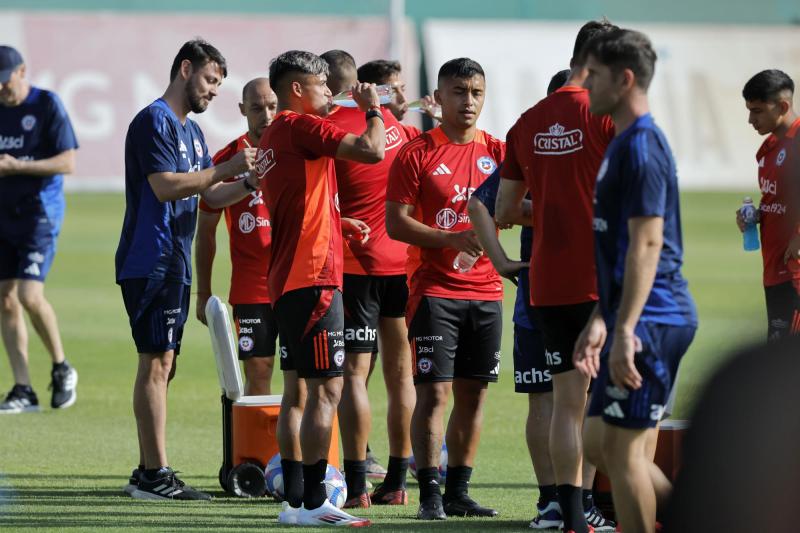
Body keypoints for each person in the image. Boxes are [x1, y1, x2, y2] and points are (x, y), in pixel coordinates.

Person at [116, 39, 259, 500]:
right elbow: (164, 187)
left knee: (165, 364)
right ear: (185, 70)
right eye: (210, 80)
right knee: (156, 362)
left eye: (219, 83)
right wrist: (228, 168)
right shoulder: (154, 121)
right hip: (150, 259)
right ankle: (155, 475)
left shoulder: (193, 133)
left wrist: (250, 181)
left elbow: (210, 199)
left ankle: (146, 470)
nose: (215, 91)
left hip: (173, 260)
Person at [495, 20, 617, 533]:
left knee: (567, 402)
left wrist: (550, 207)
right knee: (601, 403)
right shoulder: (610, 117)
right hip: (598, 281)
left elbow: (503, 210)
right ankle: (598, 509)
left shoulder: (526, 122)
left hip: (546, 282)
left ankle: (568, 515)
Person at [575, 28, 698, 533]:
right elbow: (619, 250)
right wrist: (600, 318)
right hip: (631, 314)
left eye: (595, 75)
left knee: (624, 452)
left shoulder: (643, 147)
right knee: (597, 442)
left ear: (624, 80)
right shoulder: (622, 142)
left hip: (655, 316)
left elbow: (647, 245)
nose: (585, 85)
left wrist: (625, 329)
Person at [256, 49, 385, 527]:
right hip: (313, 278)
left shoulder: (274, 135)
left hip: (289, 277)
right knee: (328, 388)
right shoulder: (300, 126)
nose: (330, 93)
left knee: (301, 392)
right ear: (296, 90)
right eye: (322, 86)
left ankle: (297, 499)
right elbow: (372, 150)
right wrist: (373, 107)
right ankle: (313, 503)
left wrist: (337, 221)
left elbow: (299, 203)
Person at [386, 57, 505, 521]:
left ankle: (459, 491)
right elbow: (396, 223)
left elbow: (516, 204)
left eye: (476, 92)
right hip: (434, 289)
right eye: (458, 92)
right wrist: (450, 239)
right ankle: (429, 494)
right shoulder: (417, 153)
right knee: (434, 394)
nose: (468, 101)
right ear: (439, 96)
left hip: (488, 290)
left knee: (474, 395)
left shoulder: (497, 151)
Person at [321, 49, 417, 509]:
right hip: (404, 264)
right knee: (401, 374)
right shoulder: (398, 129)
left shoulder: (329, 133)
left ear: (327, 83)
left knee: (354, 374)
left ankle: (357, 485)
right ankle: (397, 481)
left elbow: (321, 201)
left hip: (357, 268)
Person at [0, 45, 79, 414]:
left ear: (21, 72)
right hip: (3, 216)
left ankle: (62, 367)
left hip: (39, 215)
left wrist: (17, 167)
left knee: (30, 295)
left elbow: (67, 162)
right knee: (5, 299)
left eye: (4, 82)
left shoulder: (46, 105)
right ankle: (23, 389)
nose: (1, 90)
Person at [195, 77, 279, 396]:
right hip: (252, 287)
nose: (266, 115)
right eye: (257, 108)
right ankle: (259, 448)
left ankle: (298, 448)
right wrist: (203, 293)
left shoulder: (297, 151)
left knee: (303, 376)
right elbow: (205, 232)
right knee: (258, 373)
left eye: (272, 106)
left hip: (296, 281)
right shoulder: (229, 159)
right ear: (243, 109)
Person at [738, 69, 800, 341]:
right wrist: (756, 215)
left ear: (783, 106)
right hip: (774, 269)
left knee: (783, 363)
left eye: (758, 111)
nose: (751, 119)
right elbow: (779, 200)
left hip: (795, 273)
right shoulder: (769, 148)